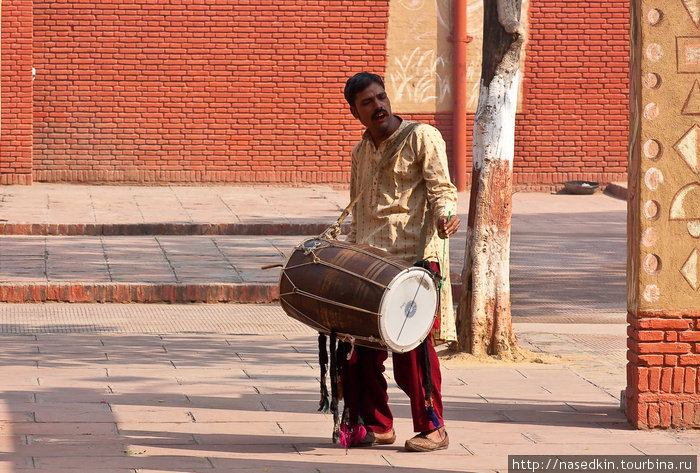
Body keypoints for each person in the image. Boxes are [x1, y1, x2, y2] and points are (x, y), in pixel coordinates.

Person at [341, 72, 460, 452]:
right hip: (369, 266)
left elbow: (442, 188)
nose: (378, 106)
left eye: (380, 97)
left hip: (413, 264)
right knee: (361, 355)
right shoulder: (361, 151)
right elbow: (358, 210)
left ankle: (434, 428)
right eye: (367, 102)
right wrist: (345, 255)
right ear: (355, 112)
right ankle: (378, 426)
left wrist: (446, 217)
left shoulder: (420, 137)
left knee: (412, 356)